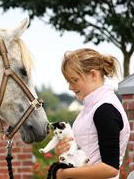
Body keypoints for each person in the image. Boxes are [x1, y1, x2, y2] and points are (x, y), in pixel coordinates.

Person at [55, 48, 130, 179]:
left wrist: (64, 174)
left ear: (93, 75)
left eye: (74, 80)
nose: (70, 87)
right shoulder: (91, 108)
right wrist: (65, 151)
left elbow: (110, 168)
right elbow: (89, 152)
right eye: (68, 81)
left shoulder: (106, 109)